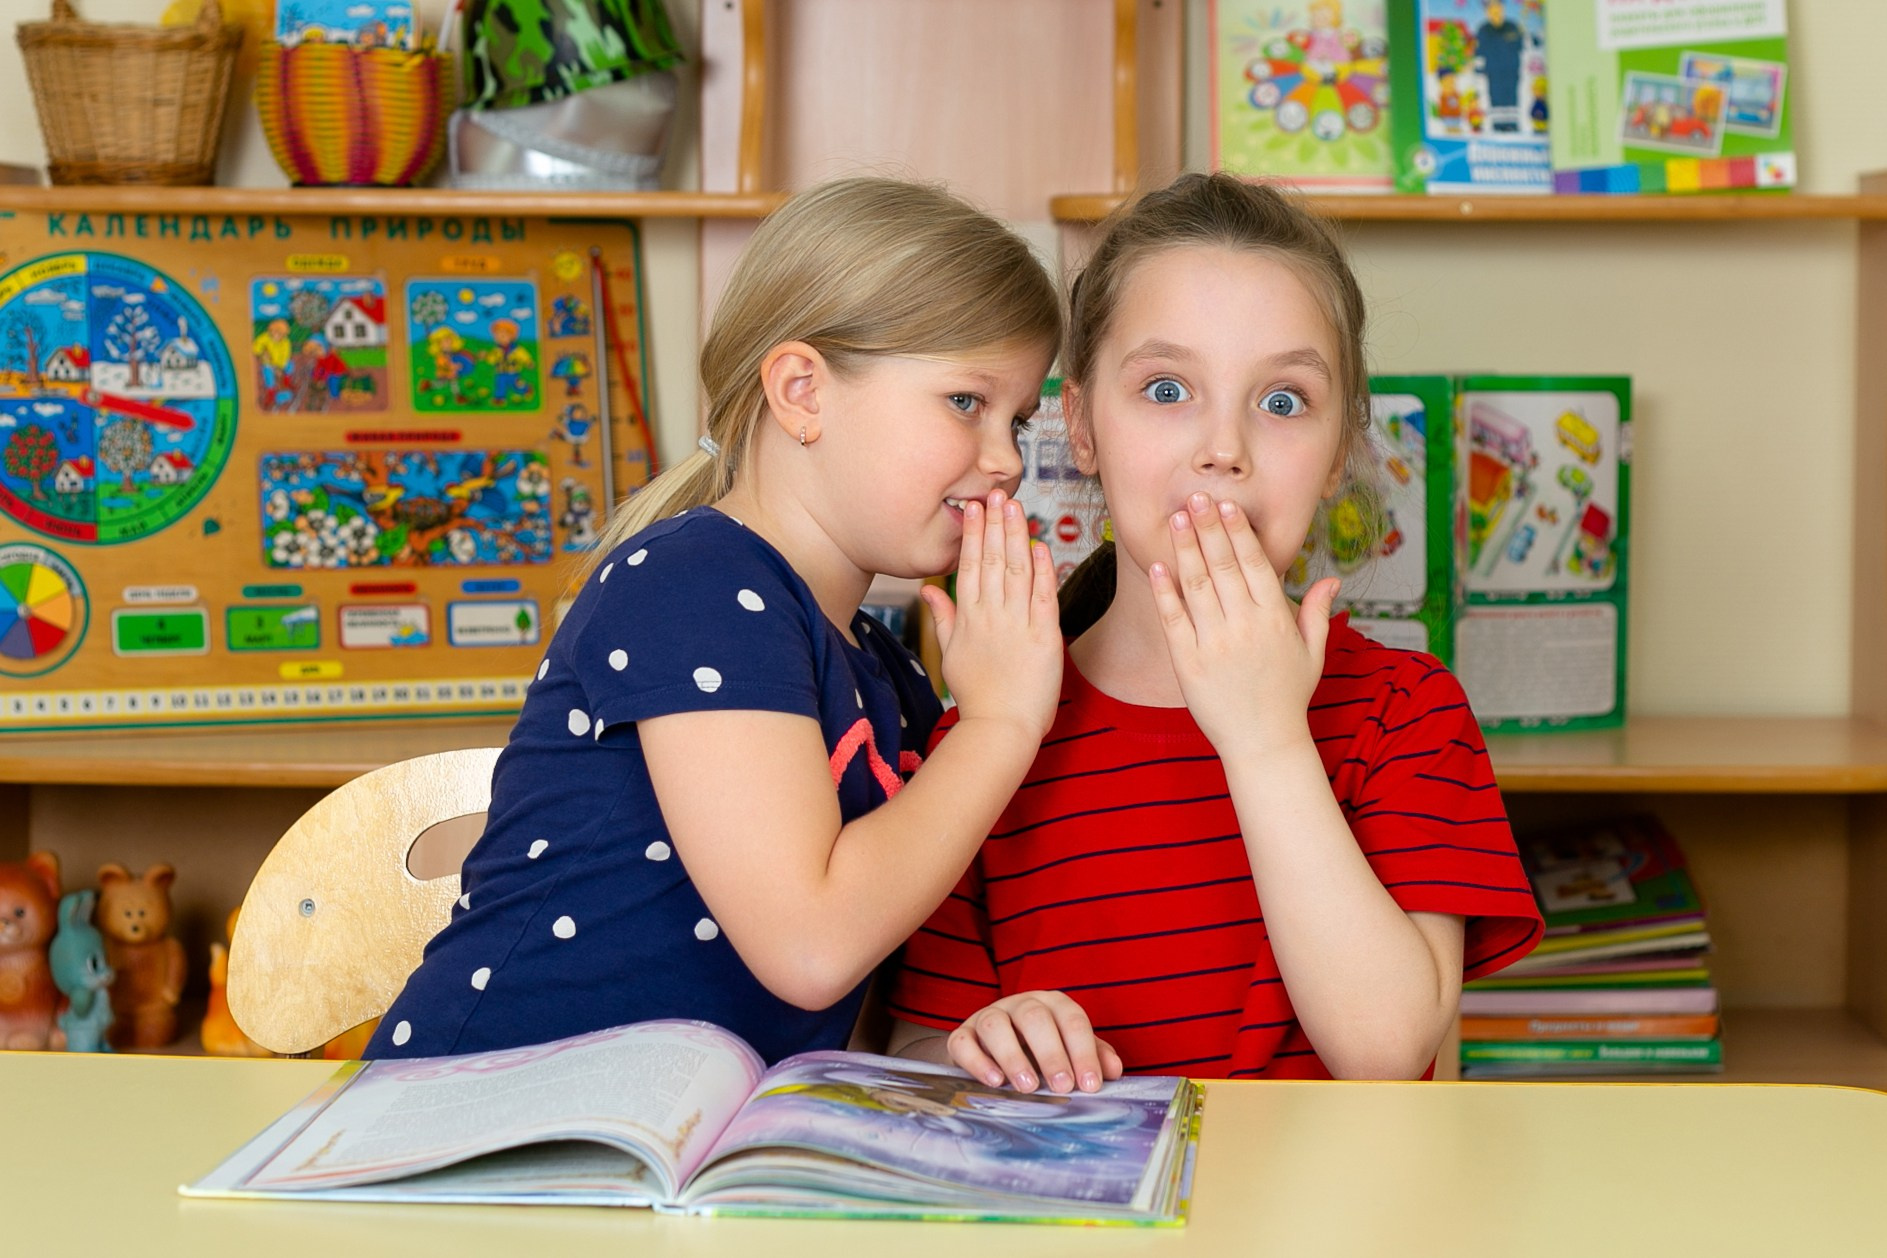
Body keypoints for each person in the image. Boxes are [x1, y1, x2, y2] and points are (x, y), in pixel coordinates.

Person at [366, 177, 1065, 1062]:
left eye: (1020, 417)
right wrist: (1001, 722)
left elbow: (866, 990)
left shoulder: (888, 669)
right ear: (803, 392)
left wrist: (971, 1038)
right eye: (966, 403)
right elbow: (812, 947)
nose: (1004, 460)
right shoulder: (695, 580)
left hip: (675, 1146)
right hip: (480, 1129)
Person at [887, 172, 1544, 1090]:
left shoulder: (1408, 712)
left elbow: (1388, 1051)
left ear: (1338, 453)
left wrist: (1267, 739)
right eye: (1166, 388)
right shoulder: (994, 731)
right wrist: (987, 1043)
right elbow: (915, 1053)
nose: (1223, 446)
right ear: (1080, 426)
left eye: (1282, 402)